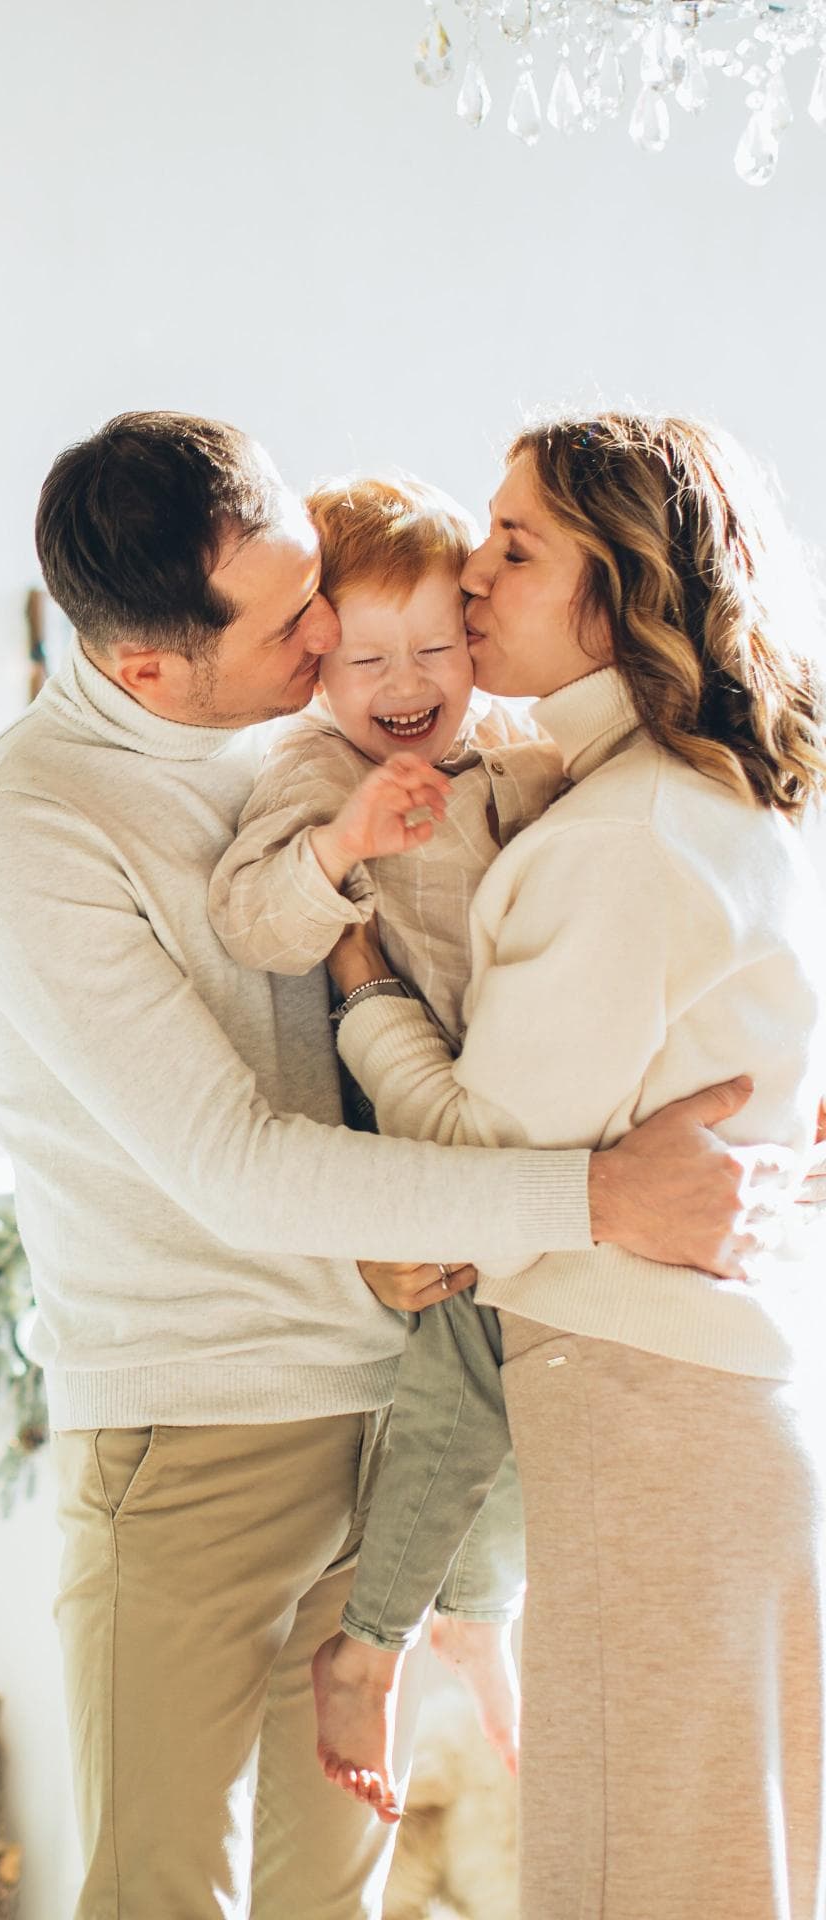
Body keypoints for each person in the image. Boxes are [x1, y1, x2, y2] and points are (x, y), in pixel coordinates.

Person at [0, 411, 787, 1920]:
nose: (336, 631)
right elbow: (235, 1164)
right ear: (147, 669)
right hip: (199, 1427)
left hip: (388, 1385)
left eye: (312, 581)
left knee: (338, 1900)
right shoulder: (28, 822)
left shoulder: (311, 735)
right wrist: (594, 1194)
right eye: (288, 620)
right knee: (161, 1896)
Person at [325, 412, 826, 1916]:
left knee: (642, 1881)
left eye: (517, 543)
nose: (472, 573)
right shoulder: (673, 799)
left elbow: (484, 1162)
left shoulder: (630, 835)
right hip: (696, 1412)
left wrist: (360, 992)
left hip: (643, 1411)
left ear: (621, 587)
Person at [207, 472, 562, 1791]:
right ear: (317, 665)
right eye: (365, 657)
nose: (406, 682)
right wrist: (343, 846)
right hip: (411, 1123)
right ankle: (381, 1638)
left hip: (503, 1107)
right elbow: (251, 925)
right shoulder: (312, 767)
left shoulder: (510, 743)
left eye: (434, 648)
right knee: (469, 1376)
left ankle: (471, 1613)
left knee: (524, 1377)